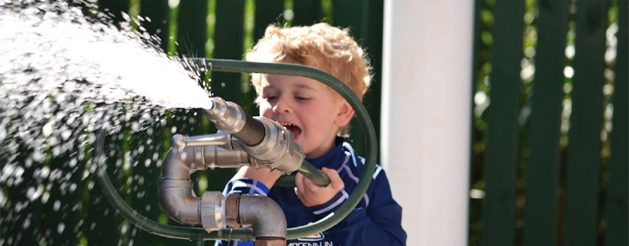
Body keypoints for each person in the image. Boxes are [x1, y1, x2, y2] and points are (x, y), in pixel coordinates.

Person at [216, 23, 406, 246]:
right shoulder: (249, 178)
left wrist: (335, 207)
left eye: (302, 97)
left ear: (343, 111)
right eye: (270, 95)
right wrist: (250, 192)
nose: (280, 107)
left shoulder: (365, 178)